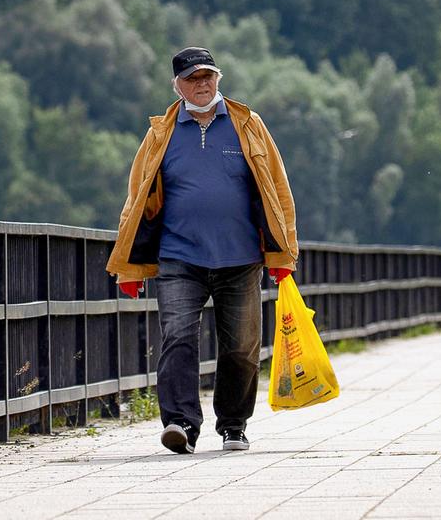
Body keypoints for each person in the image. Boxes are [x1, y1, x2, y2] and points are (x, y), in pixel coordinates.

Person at [106, 46, 299, 455]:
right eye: (193, 79)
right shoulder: (161, 132)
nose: (202, 84)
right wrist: (128, 266)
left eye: (208, 76)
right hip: (179, 258)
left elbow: (278, 190)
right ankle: (180, 423)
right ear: (177, 85)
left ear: (218, 79)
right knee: (177, 338)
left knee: (242, 346)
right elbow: (137, 197)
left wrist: (283, 255)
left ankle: (233, 424)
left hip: (241, 258)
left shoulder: (248, 125)